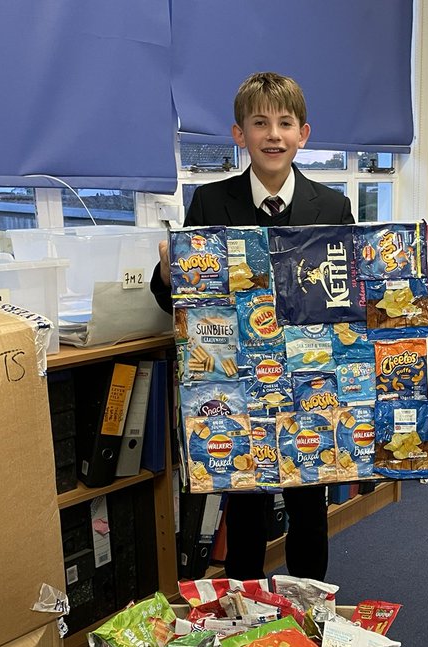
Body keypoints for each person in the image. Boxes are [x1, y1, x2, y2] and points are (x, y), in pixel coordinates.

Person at [151, 71, 353, 582]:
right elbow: (181, 302)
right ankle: (242, 612)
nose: (273, 134)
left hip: (310, 379)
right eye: (259, 123)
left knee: (309, 500)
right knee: (244, 504)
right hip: (238, 379)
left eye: (285, 123)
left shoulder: (332, 207)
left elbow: (347, 300)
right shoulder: (210, 204)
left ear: (303, 134)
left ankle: (311, 608)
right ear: (239, 134)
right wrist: (166, 273)